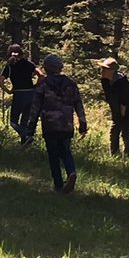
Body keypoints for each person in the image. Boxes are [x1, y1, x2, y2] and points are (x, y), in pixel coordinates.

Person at [26, 54, 87, 192]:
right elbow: (78, 104)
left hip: (50, 125)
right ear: (60, 68)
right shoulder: (71, 84)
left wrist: (30, 130)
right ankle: (71, 172)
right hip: (66, 125)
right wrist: (82, 124)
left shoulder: (43, 84)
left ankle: (58, 185)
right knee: (65, 151)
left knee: (53, 154)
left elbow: (35, 108)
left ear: (46, 68)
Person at [0, 43, 40, 144]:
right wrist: (36, 86)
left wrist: (8, 91)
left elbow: (0, 81)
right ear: (21, 53)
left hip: (19, 94)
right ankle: (25, 143)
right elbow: (41, 74)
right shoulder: (29, 64)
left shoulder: (9, 66)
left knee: (13, 122)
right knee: (24, 121)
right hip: (31, 94)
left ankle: (26, 135)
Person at [98, 57, 129, 157]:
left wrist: (122, 115)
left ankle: (128, 155)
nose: (102, 71)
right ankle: (115, 154)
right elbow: (109, 96)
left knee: (125, 130)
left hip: (128, 108)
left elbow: (124, 100)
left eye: (104, 69)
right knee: (115, 130)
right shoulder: (105, 80)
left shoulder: (120, 82)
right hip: (117, 107)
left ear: (111, 71)